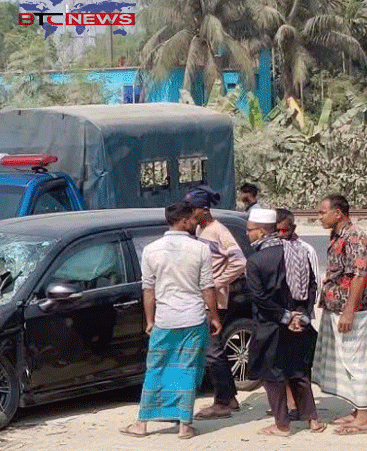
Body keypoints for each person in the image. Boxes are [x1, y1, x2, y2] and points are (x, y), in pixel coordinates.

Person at [120, 201, 221, 440]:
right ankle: (184, 425)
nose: (196, 222)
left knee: (156, 368)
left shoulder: (151, 249)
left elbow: (148, 290)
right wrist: (214, 315)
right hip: (193, 317)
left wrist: (149, 320)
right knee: (186, 369)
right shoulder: (200, 249)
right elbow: (207, 287)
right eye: (193, 219)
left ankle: (142, 423)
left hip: (165, 318)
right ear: (184, 221)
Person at [246, 208, 325, 436]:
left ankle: (282, 424)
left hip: (271, 325)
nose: (248, 234)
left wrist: (284, 316)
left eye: (250, 230)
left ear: (261, 231)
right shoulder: (298, 252)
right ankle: (313, 420)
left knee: (273, 375)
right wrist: (301, 315)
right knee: (299, 371)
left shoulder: (256, 260)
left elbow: (259, 298)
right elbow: (311, 285)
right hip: (299, 323)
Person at [311, 194, 367, 435]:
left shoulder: (354, 237)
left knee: (355, 359)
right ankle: (356, 409)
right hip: (338, 307)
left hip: (354, 310)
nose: (319, 217)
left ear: (338, 213)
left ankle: (364, 417)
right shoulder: (338, 235)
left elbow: (359, 275)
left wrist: (349, 311)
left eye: (323, 212)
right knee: (344, 360)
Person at [184, 185, 247, 420]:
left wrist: (217, 281)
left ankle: (222, 401)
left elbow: (239, 261)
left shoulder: (218, 231)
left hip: (216, 301)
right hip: (203, 298)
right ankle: (229, 397)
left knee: (213, 351)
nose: (190, 214)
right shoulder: (200, 231)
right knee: (212, 349)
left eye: (193, 210)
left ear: (204, 209)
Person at [275, 208, 320, 421]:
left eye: (285, 230)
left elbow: (314, 282)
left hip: (300, 311)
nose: (282, 235)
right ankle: (290, 404)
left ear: (293, 228)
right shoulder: (273, 250)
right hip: (280, 313)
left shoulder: (306, 250)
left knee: (300, 365)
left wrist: (305, 313)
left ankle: (303, 407)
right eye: (278, 231)